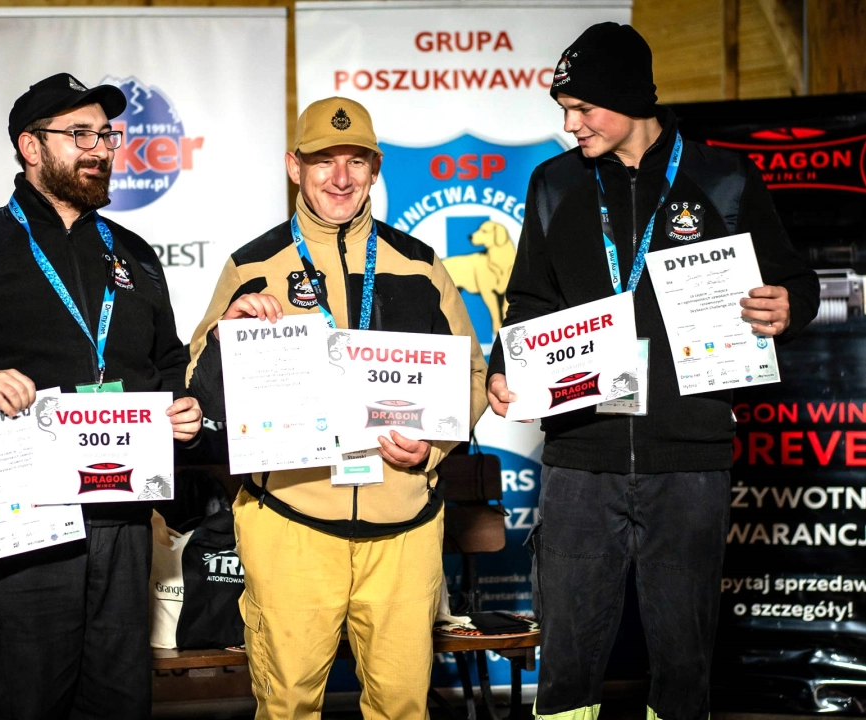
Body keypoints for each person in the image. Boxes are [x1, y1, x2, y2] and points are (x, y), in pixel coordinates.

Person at [486, 23, 820, 720]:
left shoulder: (722, 178)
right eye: (563, 112)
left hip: (688, 457)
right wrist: (503, 363)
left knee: (681, 660)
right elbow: (528, 299)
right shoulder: (551, 184)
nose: (570, 126)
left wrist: (788, 305)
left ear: (631, 98)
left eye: (583, 110)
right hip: (581, 455)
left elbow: (793, 279)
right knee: (568, 662)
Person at [0, 72, 202, 719]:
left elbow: (166, 363)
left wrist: (182, 408)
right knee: (27, 697)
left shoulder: (134, 255)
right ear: (31, 147)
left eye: (105, 134)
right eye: (79, 134)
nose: (100, 148)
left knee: (117, 700)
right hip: (28, 524)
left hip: (123, 517)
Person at [187, 96, 488, 719]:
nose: (341, 177)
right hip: (291, 520)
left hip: (403, 525)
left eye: (356, 161)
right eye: (325, 161)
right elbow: (198, 387)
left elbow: (472, 373)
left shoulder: (420, 266)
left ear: (375, 169)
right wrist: (225, 335)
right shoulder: (252, 265)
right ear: (294, 166)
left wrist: (433, 447)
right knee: (289, 705)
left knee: (404, 706)